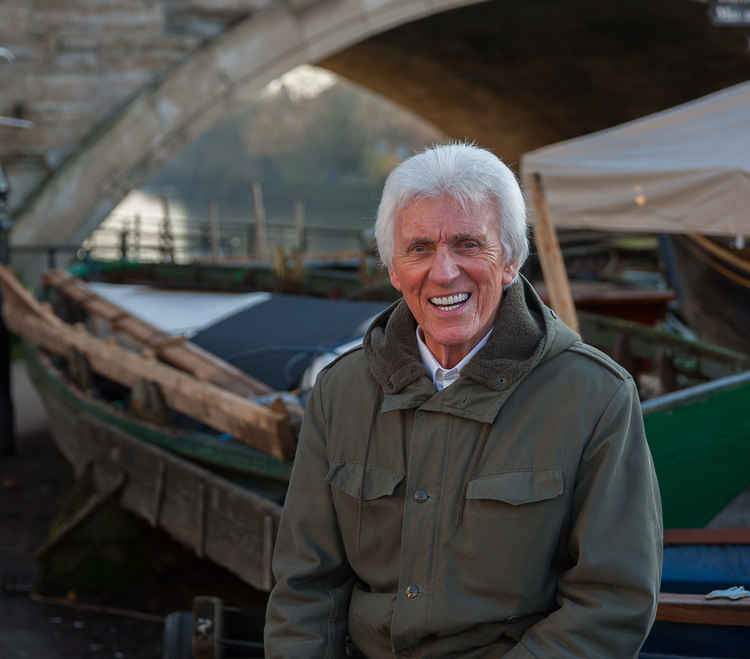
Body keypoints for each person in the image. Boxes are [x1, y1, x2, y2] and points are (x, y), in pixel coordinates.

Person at [265, 143, 662, 658]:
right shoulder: (341, 392)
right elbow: (304, 588)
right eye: (419, 248)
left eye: (468, 244)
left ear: (511, 261)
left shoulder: (596, 397)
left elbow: (613, 602)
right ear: (392, 268)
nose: (444, 271)